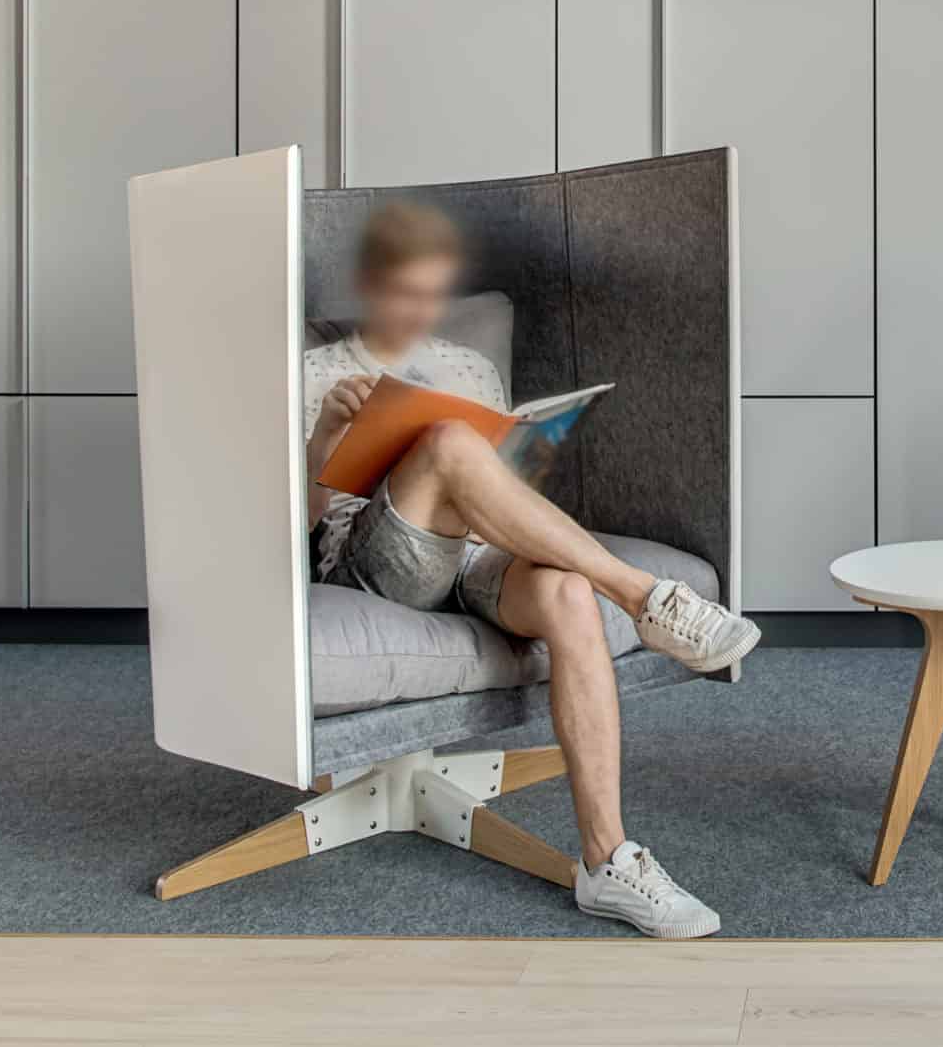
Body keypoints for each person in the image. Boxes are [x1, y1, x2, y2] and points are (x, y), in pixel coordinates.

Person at [304, 199, 758, 939]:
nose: (422, 310)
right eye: (405, 293)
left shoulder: (469, 366)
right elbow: (300, 524)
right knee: (450, 440)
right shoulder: (318, 372)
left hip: (478, 552)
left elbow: (508, 491)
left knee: (568, 592)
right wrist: (326, 434)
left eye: (434, 295)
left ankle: (607, 862)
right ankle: (648, 598)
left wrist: (529, 449)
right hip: (378, 560)